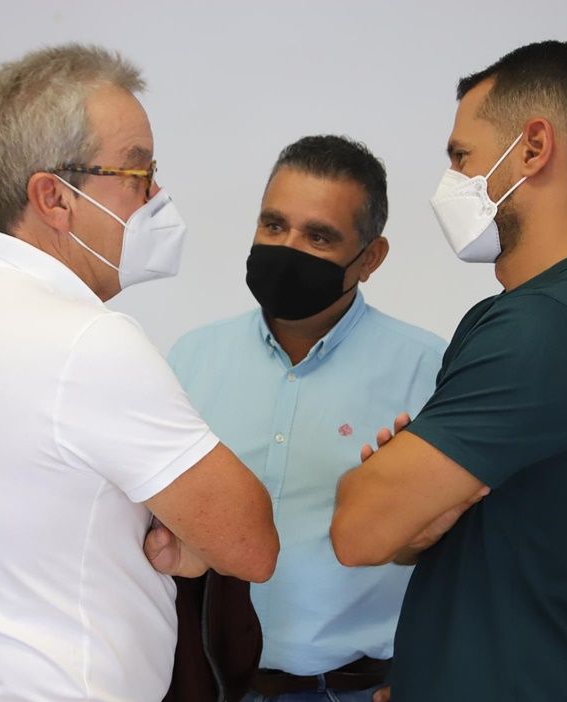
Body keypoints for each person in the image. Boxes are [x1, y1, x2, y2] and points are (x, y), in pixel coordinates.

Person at [0, 44, 278, 702]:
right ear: (54, 197)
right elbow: (250, 542)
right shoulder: (85, 341)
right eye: (137, 173)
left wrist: (181, 537)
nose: (157, 197)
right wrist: (191, 541)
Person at [331, 40, 567, 701]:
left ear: (534, 148)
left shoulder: (552, 327)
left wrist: (388, 493)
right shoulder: (535, 317)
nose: (449, 182)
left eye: (462, 157)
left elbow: (358, 530)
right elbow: (413, 539)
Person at [162, 135, 446, 702]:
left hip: (355, 690)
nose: (287, 247)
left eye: (318, 236)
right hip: (206, 683)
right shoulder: (191, 358)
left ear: (370, 257)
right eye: (273, 225)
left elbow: (452, 552)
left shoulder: (428, 371)